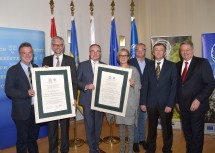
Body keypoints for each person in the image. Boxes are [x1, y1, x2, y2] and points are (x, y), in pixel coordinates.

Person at [176, 40, 215, 153]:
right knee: (187, 134)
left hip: (197, 106)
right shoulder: (177, 65)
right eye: (182, 50)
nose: (185, 52)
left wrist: (198, 100)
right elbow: (176, 86)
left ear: (193, 50)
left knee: (197, 135)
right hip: (182, 107)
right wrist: (177, 101)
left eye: (187, 50)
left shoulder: (202, 62)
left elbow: (210, 84)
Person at [42, 36, 78, 153]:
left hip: (65, 100)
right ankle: (52, 150)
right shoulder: (46, 60)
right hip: (51, 100)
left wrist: (74, 99)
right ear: (52, 46)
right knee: (52, 128)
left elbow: (74, 81)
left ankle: (64, 150)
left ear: (63, 46)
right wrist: (43, 71)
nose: (58, 47)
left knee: (64, 127)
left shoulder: (70, 60)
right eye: (56, 45)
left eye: (60, 45)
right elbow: (42, 80)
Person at [140, 43, 177, 153]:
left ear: (165, 52)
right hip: (151, 103)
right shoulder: (148, 66)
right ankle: (151, 149)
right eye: (156, 50)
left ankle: (167, 149)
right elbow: (145, 85)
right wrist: (143, 102)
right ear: (153, 52)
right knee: (151, 129)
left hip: (166, 104)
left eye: (161, 50)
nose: (158, 52)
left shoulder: (172, 66)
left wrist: (170, 104)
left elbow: (174, 86)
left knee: (167, 129)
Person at [5, 42, 40, 153]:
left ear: (33, 54)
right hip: (21, 112)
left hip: (36, 111)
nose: (27, 55)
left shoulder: (36, 68)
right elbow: (9, 91)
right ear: (19, 54)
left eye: (30, 52)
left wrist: (46, 73)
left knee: (33, 139)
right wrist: (26, 92)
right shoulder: (13, 70)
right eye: (24, 53)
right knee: (22, 140)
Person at [77, 44, 105, 153]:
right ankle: (92, 149)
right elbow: (77, 81)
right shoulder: (83, 65)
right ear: (89, 53)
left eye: (97, 51)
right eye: (92, 51)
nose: (95, 53)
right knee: (89, 125)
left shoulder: (105, 66)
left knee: (98, 125)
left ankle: (96, 145)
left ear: (100, 53)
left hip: (100, 101)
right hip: (87, 100)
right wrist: (86, 86)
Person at [115, 48, 141, 153]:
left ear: (128, 57)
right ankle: (122, 148)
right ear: (118, 57)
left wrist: (133, 84)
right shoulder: (114, 70)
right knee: (121, 128)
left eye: (125, 56)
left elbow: (139, 86)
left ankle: (130, 149)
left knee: (130, 129)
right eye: (121, 56)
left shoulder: (133, 70)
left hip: (130, 104)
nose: (123, 58)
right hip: (119, 104)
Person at [129, 43, 152, 152]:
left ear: (145, 50)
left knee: (143, 118)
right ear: (135, 51)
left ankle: (142, 139)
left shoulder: (150, 63)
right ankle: (135, 141)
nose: (139, 51)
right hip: (133, 94)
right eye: (137, 50)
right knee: (135, 119)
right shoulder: (130, 62)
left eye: (142, 49)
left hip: (147, 96)